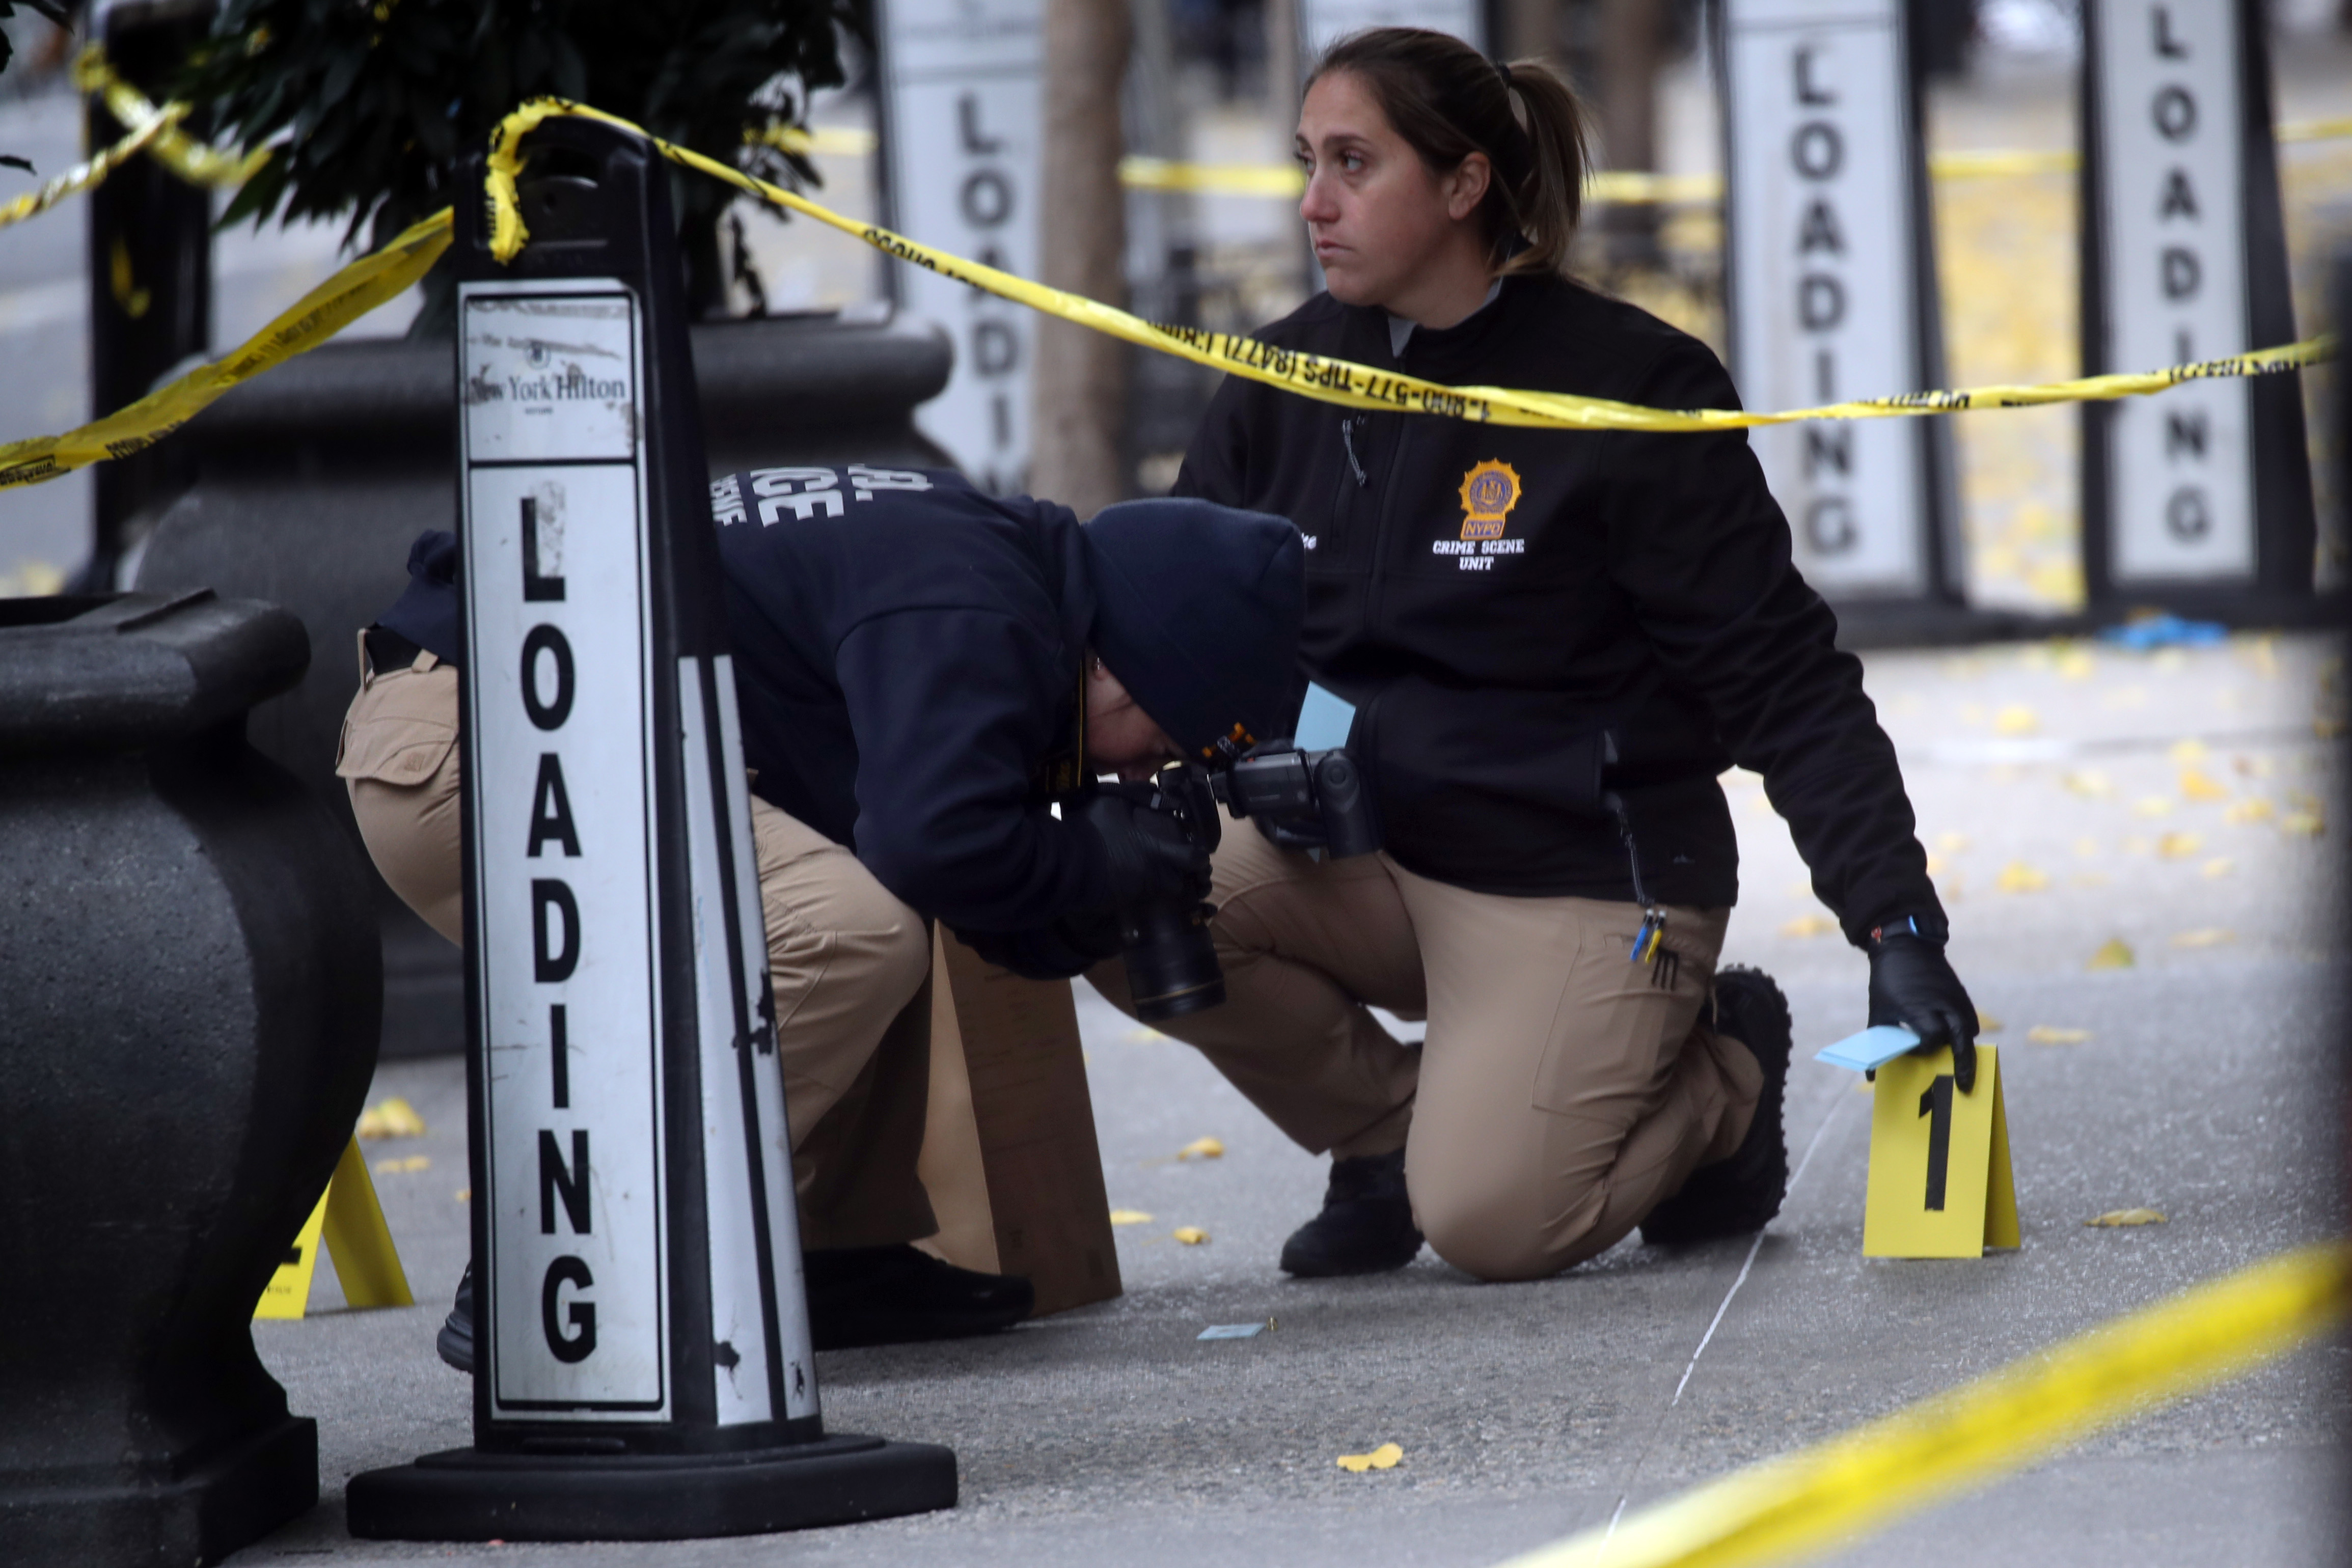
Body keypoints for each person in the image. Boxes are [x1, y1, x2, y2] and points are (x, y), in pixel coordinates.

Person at [1087, 27, 1979, 1283]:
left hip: (1576, 870)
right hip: (1362, 850)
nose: (1312, 203)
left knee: (1496, 1225)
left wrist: (1894, 925)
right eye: (1305, 162)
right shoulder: (1276, 379)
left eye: (1353, 163)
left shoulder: (1625, 388)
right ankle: (1389, 1136)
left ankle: (1718, 1072)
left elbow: (1782, 674)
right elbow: (1172, 632)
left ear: (1462, 187)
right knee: (1095, 888)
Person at [339, 464, 1303, 1363]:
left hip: (513, 717)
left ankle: (827, 1255)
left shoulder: (994, 573)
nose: (1136, 775)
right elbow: (938, 843)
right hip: (486, 747)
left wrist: (1101, 892)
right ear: (1121, 667)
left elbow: (960, 882)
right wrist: (1088, 854)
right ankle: (566, 1251)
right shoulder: (981, 608)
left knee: (865, 891)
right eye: (1155, 746)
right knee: (844, 928)